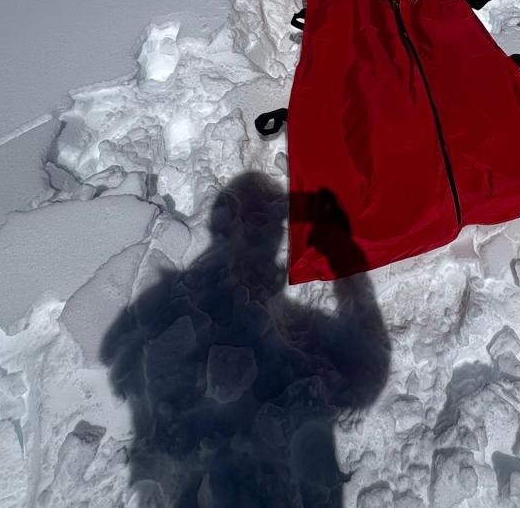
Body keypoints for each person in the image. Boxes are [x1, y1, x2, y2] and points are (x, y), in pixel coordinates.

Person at [100, 174, 389, 507]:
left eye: (263, 225)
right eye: (258, 224)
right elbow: (367, 376)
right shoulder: (209, 315)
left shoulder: (187, 305)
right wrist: (341, 255)